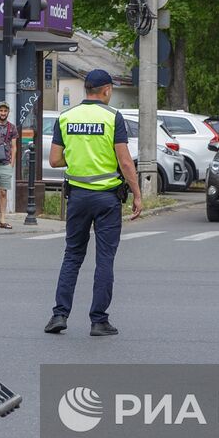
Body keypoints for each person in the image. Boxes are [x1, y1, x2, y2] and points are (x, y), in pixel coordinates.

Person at [44, 69, 142, 338]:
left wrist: (77, 158)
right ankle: (99, 320)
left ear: (86, 89)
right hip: (107, 198)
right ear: (107, 90)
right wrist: (137, 194)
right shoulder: (112, 117)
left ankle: (59, 315)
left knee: (72, 255)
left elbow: (54, 160)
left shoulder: (66, 117)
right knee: (105, 258)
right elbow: (124, 161)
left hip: (77, 198)